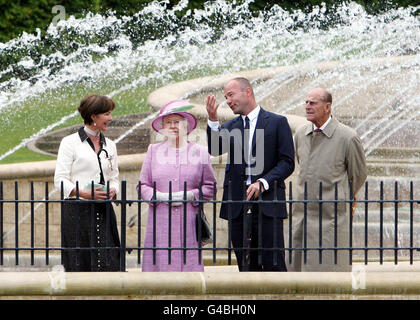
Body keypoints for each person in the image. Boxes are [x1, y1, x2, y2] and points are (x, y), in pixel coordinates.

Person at [206, 77, 295, 271]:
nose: (228, 101)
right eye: (225, 97)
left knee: (274, 264)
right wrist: (213, 121)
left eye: (231, 95)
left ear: (248, 92)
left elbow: (287, 163)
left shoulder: (277, 122)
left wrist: (263, 182)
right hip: (238, 206)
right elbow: (214, 148)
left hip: (268, 204)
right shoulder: (231, 126)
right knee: (246, 267)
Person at [290, 87, 367, 272]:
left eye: (313, 103)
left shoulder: (348, 137)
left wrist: (339, 196)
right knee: (298, 273)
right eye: (306, 102)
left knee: (329, 272)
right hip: (303, 214)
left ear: (327, 107)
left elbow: (358, 175)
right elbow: (303, 166)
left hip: (331, 217)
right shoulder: (300, 134)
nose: (307, 107)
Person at [138, 99, 217, 272]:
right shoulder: (153, 150)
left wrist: (191, 195)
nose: (173, 126)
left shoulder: (200, 152)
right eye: (168, 122)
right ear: (163, 127)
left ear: (186, 125)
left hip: (189, 220)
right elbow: (142, 185)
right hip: (160, 219)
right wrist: (159, 197)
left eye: (177, 122)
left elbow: (210, 187)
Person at [54, 94, 121, 272]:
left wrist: (113, 190)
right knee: (79, 262)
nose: (110, 118)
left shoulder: (111, 145)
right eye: (106, 114)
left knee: (109, 261)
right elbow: (59, 180)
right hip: (77, 211)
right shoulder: (69, 143)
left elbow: (114, 177)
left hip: (104, 210)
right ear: (93, 116)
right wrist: (83, 193)